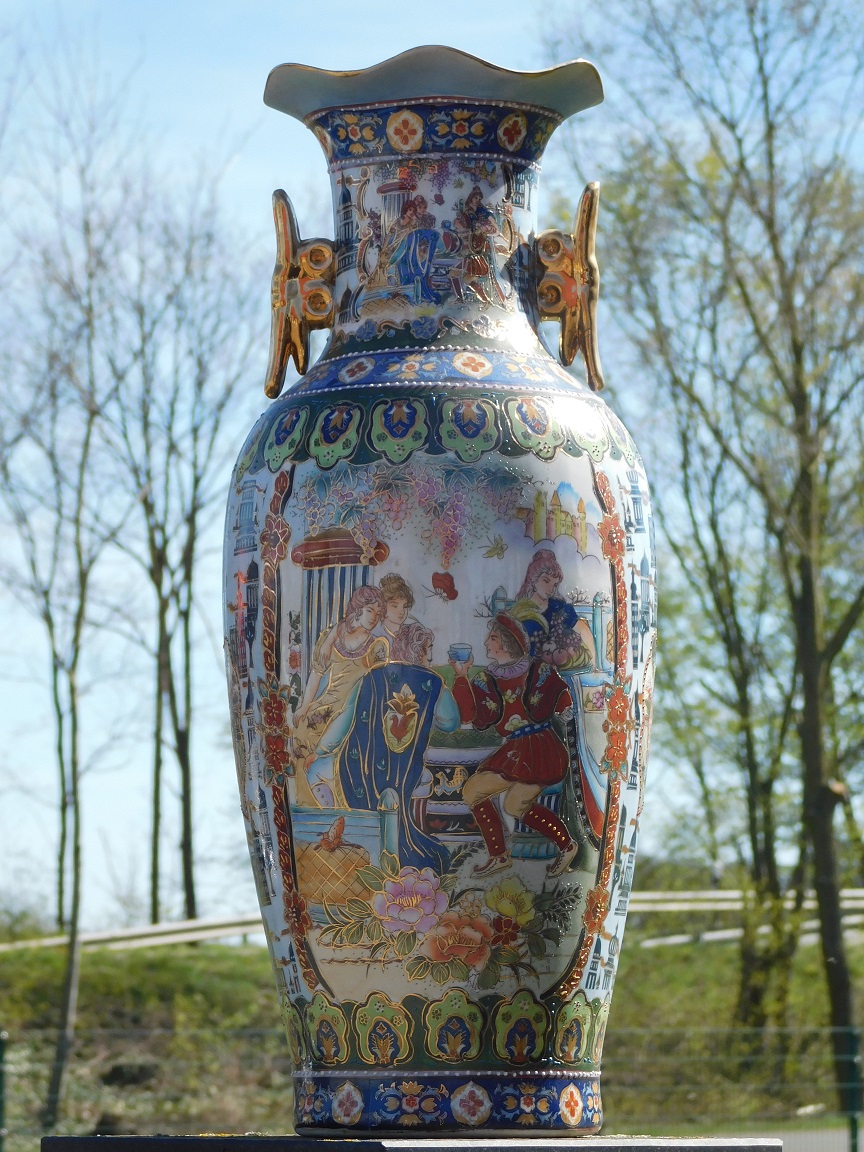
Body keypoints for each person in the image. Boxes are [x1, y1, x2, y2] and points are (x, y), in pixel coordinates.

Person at [450, 613, 578, 878]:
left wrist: (564, 707)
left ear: (506, 643)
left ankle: (501, 855)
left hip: (539, 746)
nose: (486, 642)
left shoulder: (537, 670)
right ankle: (564, 845)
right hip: (516, 748)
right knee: (513, 805)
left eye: (492, 637)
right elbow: (470, 716)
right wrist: (461, 677)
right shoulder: (486, 679)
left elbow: (559, 690)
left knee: (474, 791)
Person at [339, 621, 459, 872]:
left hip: (359, 769)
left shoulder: (370, 677)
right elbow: (451, 723)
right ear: (419, 650)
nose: (431, 656)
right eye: (429, 649)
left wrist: (320, 751)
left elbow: (346, 718)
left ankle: (373, 854)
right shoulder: (432, 682)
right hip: (403, 771)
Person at [291, 586, 389, 807]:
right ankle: (307, 807)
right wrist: (305, 706)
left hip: (352, 710)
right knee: (300, 734)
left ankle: (334, 805)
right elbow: (317, 673)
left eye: (378, 612)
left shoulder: (377, 646)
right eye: (369, 610)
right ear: (357, 610)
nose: (374, 617)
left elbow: (377, 689)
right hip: (325, 705)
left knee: (328, 753)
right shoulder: (335, 634)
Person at [510, 549, 595, 670]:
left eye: (555, 584)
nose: (551, 589)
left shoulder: (559, 609)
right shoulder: (519, 611)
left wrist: (593, 665)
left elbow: (583, 631)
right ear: (533, 580)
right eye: (546, 581)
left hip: (564, 669)